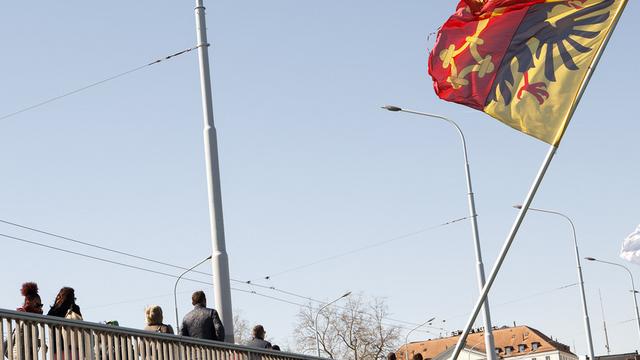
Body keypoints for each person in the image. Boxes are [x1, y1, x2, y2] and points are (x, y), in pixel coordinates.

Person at [4, 282, 45, 359]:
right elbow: (22, 339)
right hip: (20, 355)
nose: (40, 308)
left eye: (41, 305)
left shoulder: (31, 319)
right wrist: (39, 343)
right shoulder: (24, 318)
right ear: (28, 302)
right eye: (37, 305)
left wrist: (39, 342)